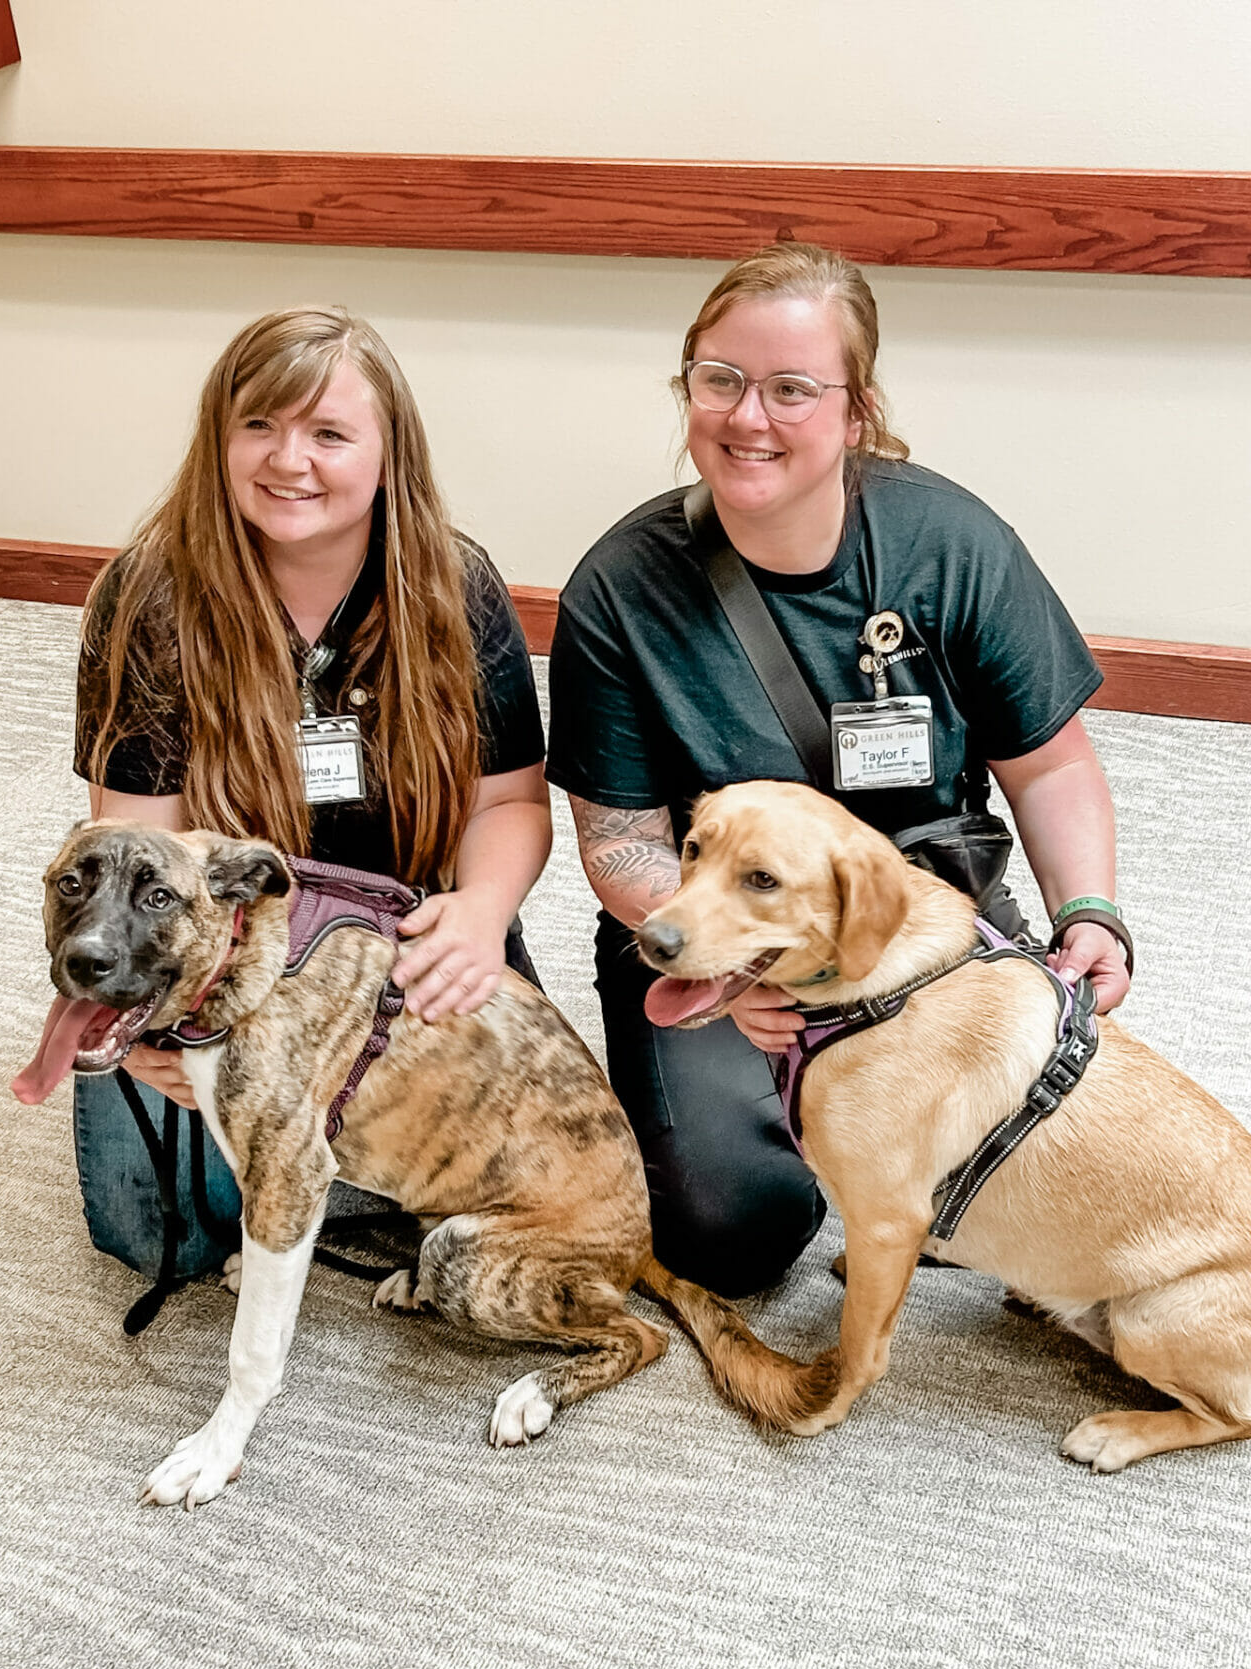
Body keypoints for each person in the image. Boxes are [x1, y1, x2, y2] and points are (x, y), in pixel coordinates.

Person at [547, 243, 1131, 1300]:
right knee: (731, 1232)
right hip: (716, 940)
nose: (747, 417)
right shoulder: (621, 589)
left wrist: (1089, 910)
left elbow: (1050, 769)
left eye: (791, 389)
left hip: (924, 916)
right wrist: (737, 982)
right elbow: (618, 838)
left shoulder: (950, 545)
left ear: (856, 411)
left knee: (1076, 1182)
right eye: (719, 380)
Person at [74, 306, 551, 1282]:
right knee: (164, 1230)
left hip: (403, 941)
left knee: (535, 1177)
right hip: (222, 955)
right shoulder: (150, 595)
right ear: (219, 439)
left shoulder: (454, 588)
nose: (289, 460)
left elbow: (508, 803)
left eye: (329, 433)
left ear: (388, 452)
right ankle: (337, 1159)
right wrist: (161, 1016)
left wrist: (481, 916)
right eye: (259, 426)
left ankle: (343, 1148)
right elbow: (136, 849)